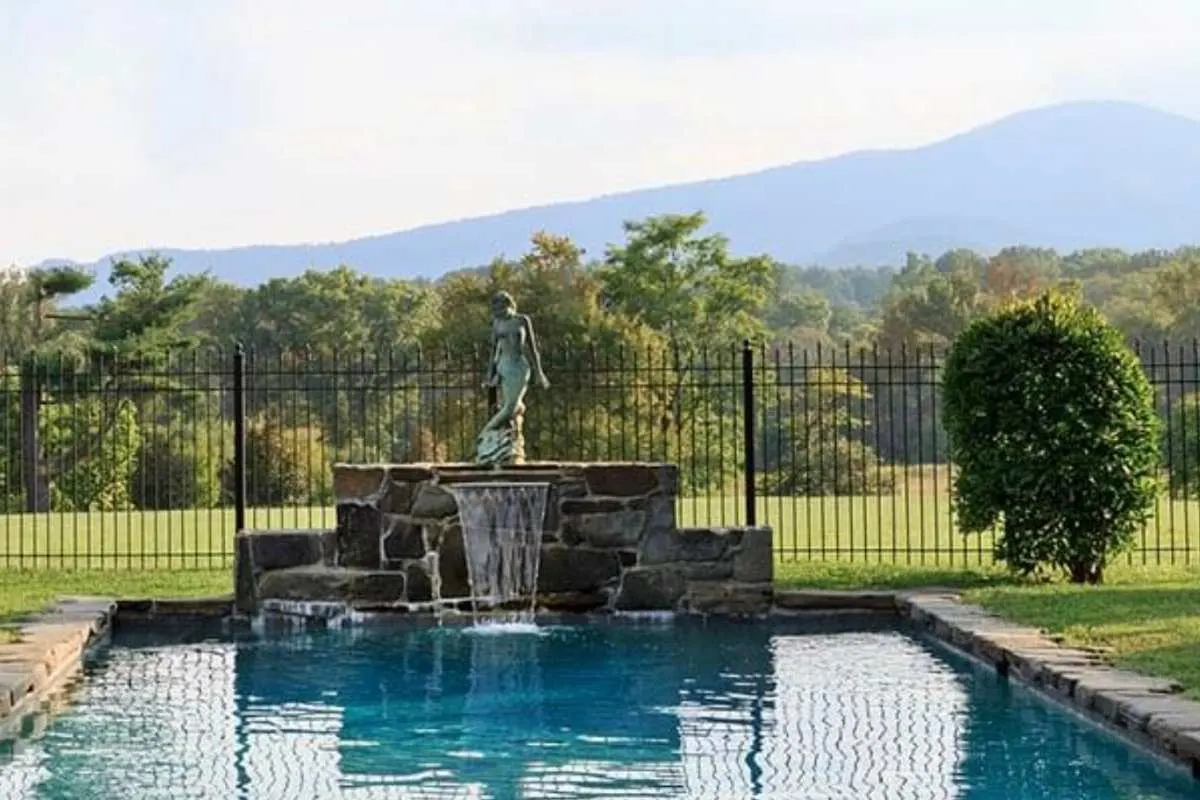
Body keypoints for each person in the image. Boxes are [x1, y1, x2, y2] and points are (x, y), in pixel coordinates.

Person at [481, 291, 549, 435]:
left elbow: (532, 349)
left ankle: (485, 433)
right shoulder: (496, 323)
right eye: (494, 309)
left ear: (507, 304)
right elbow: (493, 352)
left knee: (511, 406)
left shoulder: (522, 320)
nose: (497, 312)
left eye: (499, 308)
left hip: (519, 366)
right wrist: (489, 375)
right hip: (504, 366)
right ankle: (504, 436)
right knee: (510, 405)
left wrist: (539, 372)